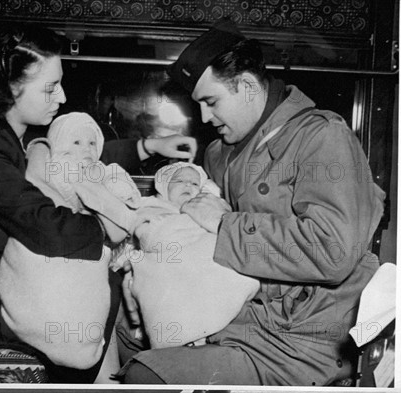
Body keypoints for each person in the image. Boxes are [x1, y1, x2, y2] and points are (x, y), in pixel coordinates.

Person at [0, 24, 196, 383]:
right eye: (50, 88)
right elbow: (46, 225)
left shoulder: (5, 140)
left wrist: (148, 147)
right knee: (94, 292)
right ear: (11, 88)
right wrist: (118, 231)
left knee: (99, 290)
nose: (61, 97)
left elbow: (71, 157)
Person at [118, 19, 386, 386]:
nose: (205, 118)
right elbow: (190, 233)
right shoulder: (219, 155)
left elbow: (334, 251)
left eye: (211, 102)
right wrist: (140, 271)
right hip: (247, 316)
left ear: (245, 86)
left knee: (144, 375)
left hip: (306, 337)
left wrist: (225, 225)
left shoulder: (322, 137)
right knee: (122, 328)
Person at [0, 112, 140, 374]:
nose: (85, 149)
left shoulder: (99, 174)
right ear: (58, 145)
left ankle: (90, 354)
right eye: (75, 143)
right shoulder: (50, 165)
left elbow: (123, 211)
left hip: (86, 253)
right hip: (44, 254)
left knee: (108, 282)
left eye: (91, 143)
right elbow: (42, 202)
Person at [117, 162, 259, 350]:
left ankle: (207, 327)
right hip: (165, 259)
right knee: (161, 281)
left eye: (194, 184)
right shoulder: (149, 207)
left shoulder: (206, 210)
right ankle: (183, 332)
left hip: (198, 257)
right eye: (180, 181)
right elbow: (143, 237)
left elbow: (221, 232)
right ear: (163, 186)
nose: (187, 186)